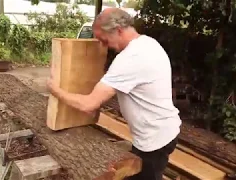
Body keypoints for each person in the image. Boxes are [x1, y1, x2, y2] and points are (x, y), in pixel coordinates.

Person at [47, 7, 182, 180]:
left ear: (118, 30)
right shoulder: (148, 43)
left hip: (155, 140)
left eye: (104, 40)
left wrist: (55, 90)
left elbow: (89, 104)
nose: (103, 46)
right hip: (158, 132)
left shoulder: (131, 57)